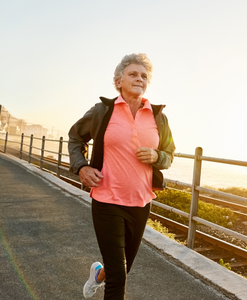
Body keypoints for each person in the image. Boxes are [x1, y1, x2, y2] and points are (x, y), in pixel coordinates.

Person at [68, 53, 175, 299]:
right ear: (119, 81)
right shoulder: (103, 111)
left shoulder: (158, 117)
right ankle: (107, 275)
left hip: (141, 202)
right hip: (107, 200)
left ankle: (99, 274)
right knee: (119, 276)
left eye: (144, 76)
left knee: (122, 267)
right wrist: (81, 167)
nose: (140, 79)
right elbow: (75, 137)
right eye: (133, 74)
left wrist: (157, 156)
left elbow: (169, 154)